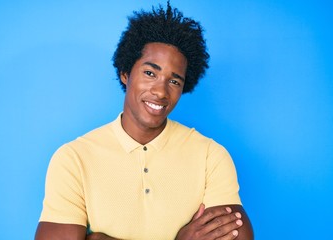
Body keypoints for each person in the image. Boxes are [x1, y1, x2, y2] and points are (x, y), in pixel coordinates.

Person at [35, 2, 254, 240]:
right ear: (126, 73)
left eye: (174, 81)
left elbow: (239, 236)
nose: (160, 91)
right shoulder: (73, 159)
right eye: (150, 73)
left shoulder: (210, 156)